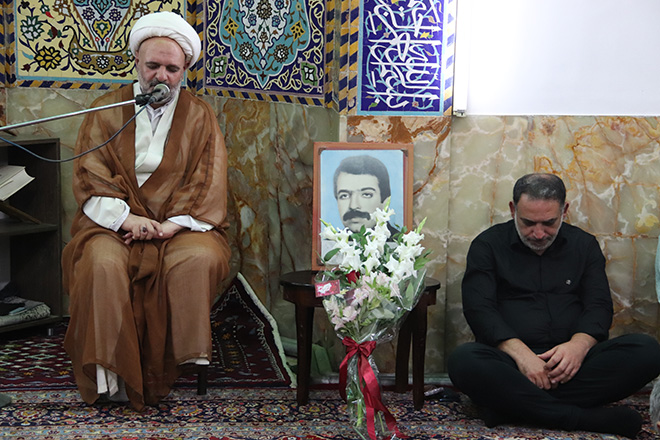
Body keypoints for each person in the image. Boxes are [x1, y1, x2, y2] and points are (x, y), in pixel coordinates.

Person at [61, 11, 231, 411]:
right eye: (153, 66)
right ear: (136, 61)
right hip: (112, 225)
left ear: (184, 70)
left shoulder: (200, 115)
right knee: (101, 263)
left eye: (172, 69)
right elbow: (89, 174)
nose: (161, 77)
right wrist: (127, 219)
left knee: (198, 259)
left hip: (179, 226)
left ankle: (170, 366)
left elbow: (208, 179)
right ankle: (108, 372)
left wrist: (169, 226)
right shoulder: (105, 109)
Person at [448, 173, 660, 439]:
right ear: (513, 210)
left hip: (573, 366)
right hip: (511, 364)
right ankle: (579, 417)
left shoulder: (584, 245)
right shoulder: (487, 245)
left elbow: (599, 306)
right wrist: (523, 356)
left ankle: (510, 407)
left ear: (564, 211)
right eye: (528, 223)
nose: (538, 234)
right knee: (463, 361)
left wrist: (578, 347)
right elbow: (479, 310)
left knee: (648, 351)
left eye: (549, 223)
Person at [332, 154, 398, 236]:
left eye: (366, 194)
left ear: (385, 202)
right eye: (344, 196)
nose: (353, 206)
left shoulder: (401, 242)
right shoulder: (329, 242)